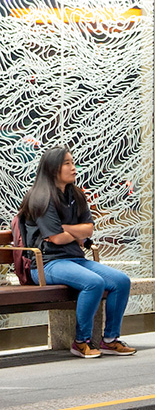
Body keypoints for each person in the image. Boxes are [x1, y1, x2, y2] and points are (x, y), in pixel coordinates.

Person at [17, 146, 135, 358]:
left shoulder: (75, 194)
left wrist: (65, 229)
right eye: (68, 164)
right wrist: (72, 232)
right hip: (46, 264)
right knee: (94, 282)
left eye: (73, 162)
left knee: (121, 281)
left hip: (73, 259)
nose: (74, 168)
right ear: (54, 169)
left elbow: (88, 229)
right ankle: (81, 341)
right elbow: (57, 239)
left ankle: (109, 339)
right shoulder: (40, 197)